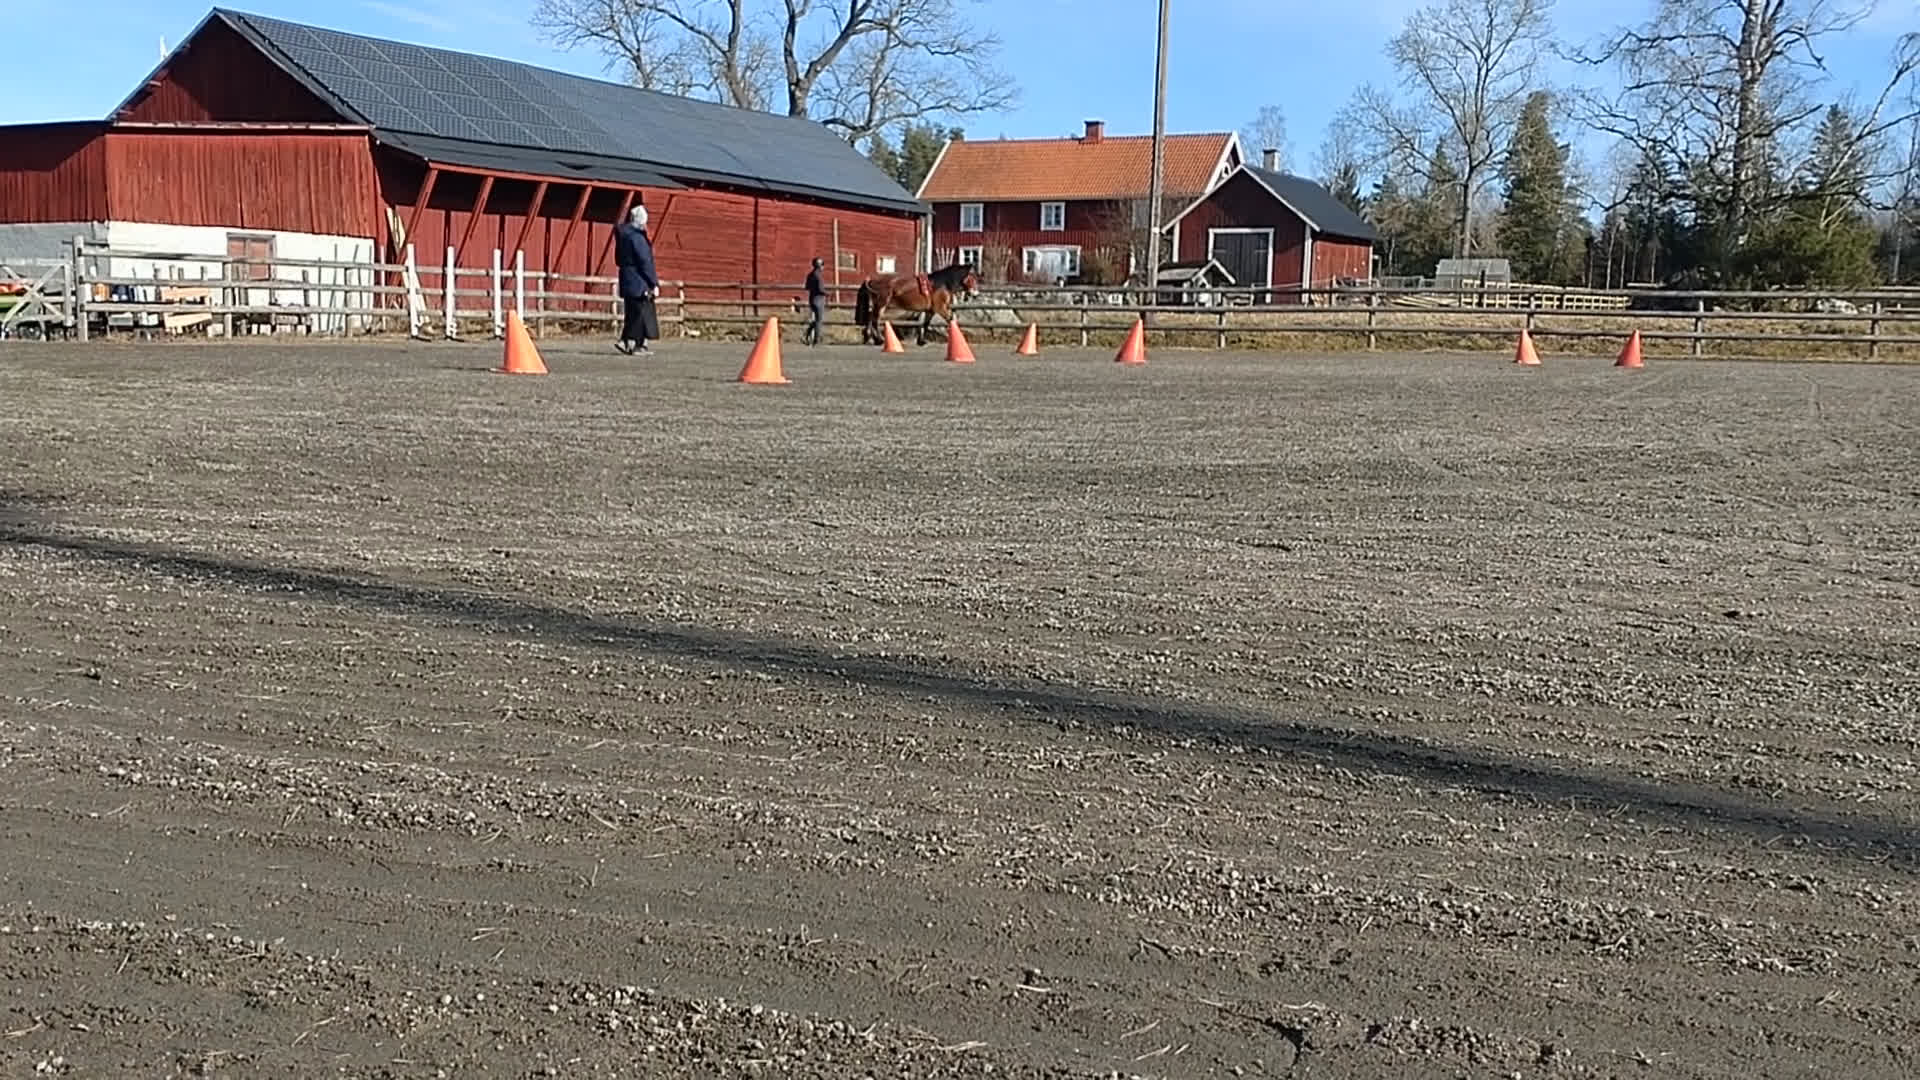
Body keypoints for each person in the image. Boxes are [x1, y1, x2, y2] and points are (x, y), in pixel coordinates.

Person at [614, 204, 658, 355]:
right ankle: (636, 344)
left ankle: (626, 341)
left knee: (632, 313)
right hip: (639, 281)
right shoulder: (637, 238)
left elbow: (618, 260)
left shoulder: (623, 237)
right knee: (640, 314)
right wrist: (653, 282)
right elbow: (645, 261)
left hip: (626, 278)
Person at [804, 256, 827, 346]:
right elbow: (821, 289)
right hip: (819, 299)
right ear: (820, 266)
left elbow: (807, 287)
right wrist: (827, 293)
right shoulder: (819, 276)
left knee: (816, 320)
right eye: (822, 265)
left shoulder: (810, 275)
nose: (823, 267)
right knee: (819, 320)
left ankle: (807, 334)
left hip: (812, 298)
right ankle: (816, 340)